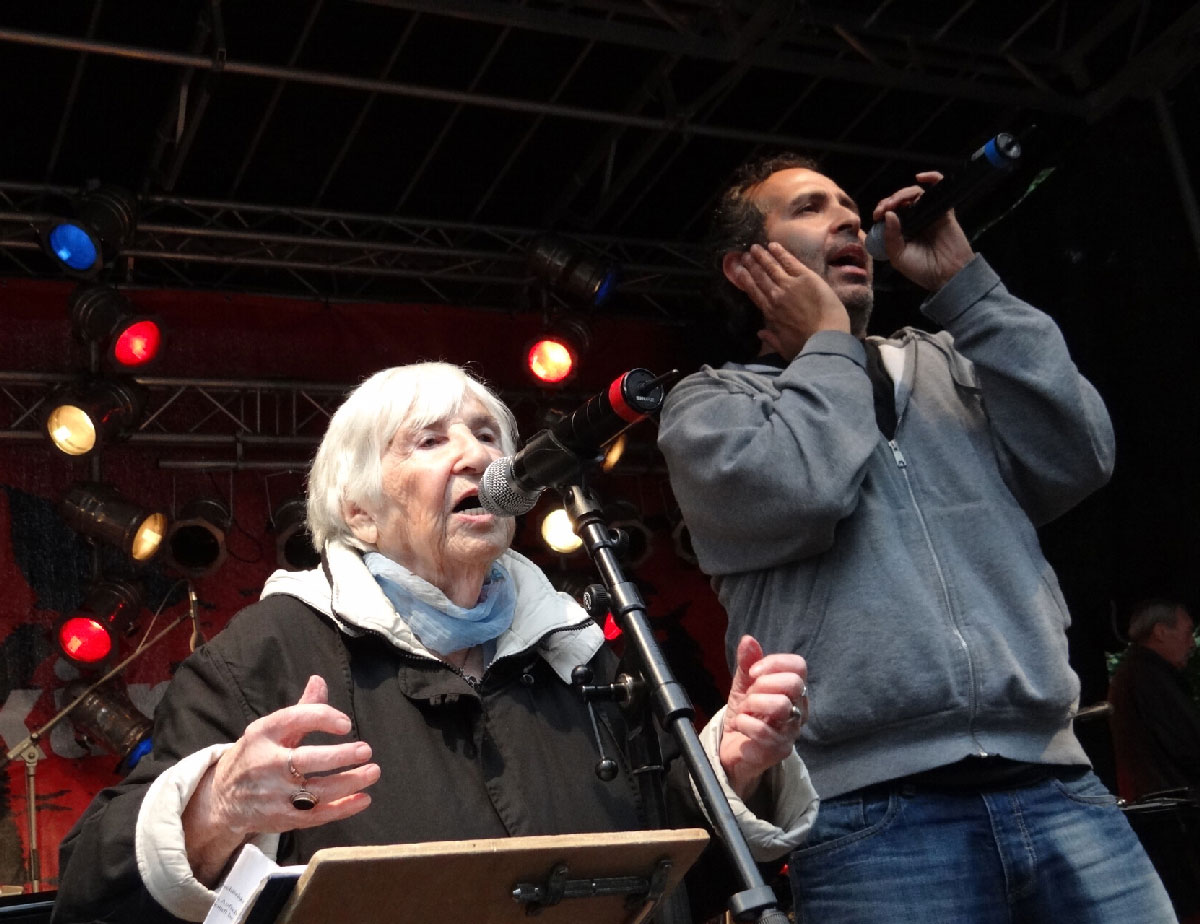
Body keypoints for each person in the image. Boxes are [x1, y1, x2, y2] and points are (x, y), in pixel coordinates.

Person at [52, 362, 818, 924]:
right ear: (358, 510)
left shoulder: (578, 647)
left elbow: (669, 863)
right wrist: (215, 808)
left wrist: (734, 764)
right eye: (429, 439)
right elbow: (91, 881)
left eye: (489, 435)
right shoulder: (268, 652)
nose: (479, 457)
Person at [657, 153, 1176, 922]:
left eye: (846, 204)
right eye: (808, 207)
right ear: (744, 266)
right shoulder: (709, 406)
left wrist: (966, 285)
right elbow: (807, 490)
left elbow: (1082, 456)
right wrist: (830, 342)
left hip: (1058, 784)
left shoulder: (949, 364)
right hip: (874, 817)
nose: (845, 217)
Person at [1108, 599, 1200, 799]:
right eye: (1187, 632)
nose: (1192, 643)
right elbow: (1188, 745)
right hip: (1174, 810)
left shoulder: (1138, 672)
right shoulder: (1148, 676)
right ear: (1160, 632)